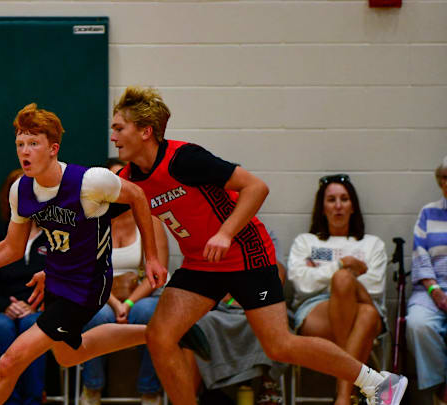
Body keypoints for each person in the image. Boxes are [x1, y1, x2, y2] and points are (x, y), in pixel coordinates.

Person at [109, 85, 407, 405]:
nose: (113, 137)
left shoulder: (185, 159)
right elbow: (92, 214)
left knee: (280, 345)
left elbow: (256, 187)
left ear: (145, 131)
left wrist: (225, 233)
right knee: (160, 336)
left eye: (119, 128)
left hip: (247, 256)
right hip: (202, 263)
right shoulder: (130, 179)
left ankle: (378, 383)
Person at [0, 102, 167, 405]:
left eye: (33, 144)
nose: (25, 151)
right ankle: (157, 333)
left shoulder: (90, 181)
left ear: (53, 148)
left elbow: (138, 196)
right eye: (20, 144)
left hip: (89, 284)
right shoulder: (21, 190)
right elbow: (10, 249)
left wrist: (153, 258)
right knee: (67, 355)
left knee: (9, 362)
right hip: (58, 279)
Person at [288, 174, 387, 405]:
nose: (339, 205)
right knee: (363, 309)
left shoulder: (372, 244)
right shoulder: (306, 241)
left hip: (364, 302)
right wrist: (344, 265)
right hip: (316, 310)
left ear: (353, 206)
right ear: (322, 208)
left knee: (346, 284)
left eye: (344, 199)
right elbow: (302, 284)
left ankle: (342, 396)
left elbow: (374, 287)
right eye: (331, 200)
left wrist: (330, 276)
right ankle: (347, 393)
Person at [79, 158, 170, 405]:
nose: (118, 185)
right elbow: (89, 273)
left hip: (144, 293)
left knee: (147, 313)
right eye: (112, 181)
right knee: (97, 317)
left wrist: (128, 303)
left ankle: (150, 391)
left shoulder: (151, 220)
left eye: (123, 179)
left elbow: (157, 274)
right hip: (103, 294)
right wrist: (115, 304)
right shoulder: (92, 222)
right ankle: (92, 389)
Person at [0, 168, 48, 405]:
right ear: (9, 197)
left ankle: (33, 399)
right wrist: (6, 306)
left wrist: (34, 306)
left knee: (33, 325)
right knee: (2, 326)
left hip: (38, 310)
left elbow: (60, 281)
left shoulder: (54, 237)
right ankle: (8, 400)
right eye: (18, 190)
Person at [186, 228, 287, 405]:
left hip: (255, 303)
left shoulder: (264, 234)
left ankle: (268, 385)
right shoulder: (204, 234)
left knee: (267, 322)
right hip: (217, 307)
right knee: (199, 325)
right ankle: (198, 395)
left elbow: (276, 277)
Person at [406, 155, 447, 405]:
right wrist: (435, 291)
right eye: (445, 178)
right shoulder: (428, 213)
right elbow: (420, 254)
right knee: (417, 324)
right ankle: (441, 386)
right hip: (431, 289)